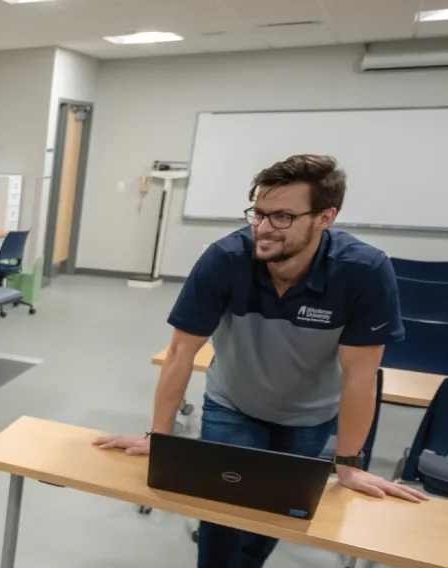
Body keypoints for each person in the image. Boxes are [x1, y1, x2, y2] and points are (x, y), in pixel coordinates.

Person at [93, 154, 429, 568]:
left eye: (284, 216)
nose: (264, 227)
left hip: (310, 416)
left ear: (325, 217)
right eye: (260, 213)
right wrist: (159, 439)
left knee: (274, 517)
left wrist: (348, 464)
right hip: (234, 402)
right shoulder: (225, 258)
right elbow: (181, 351)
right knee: (222, 515)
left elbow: (360, 377)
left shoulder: (362, 271)